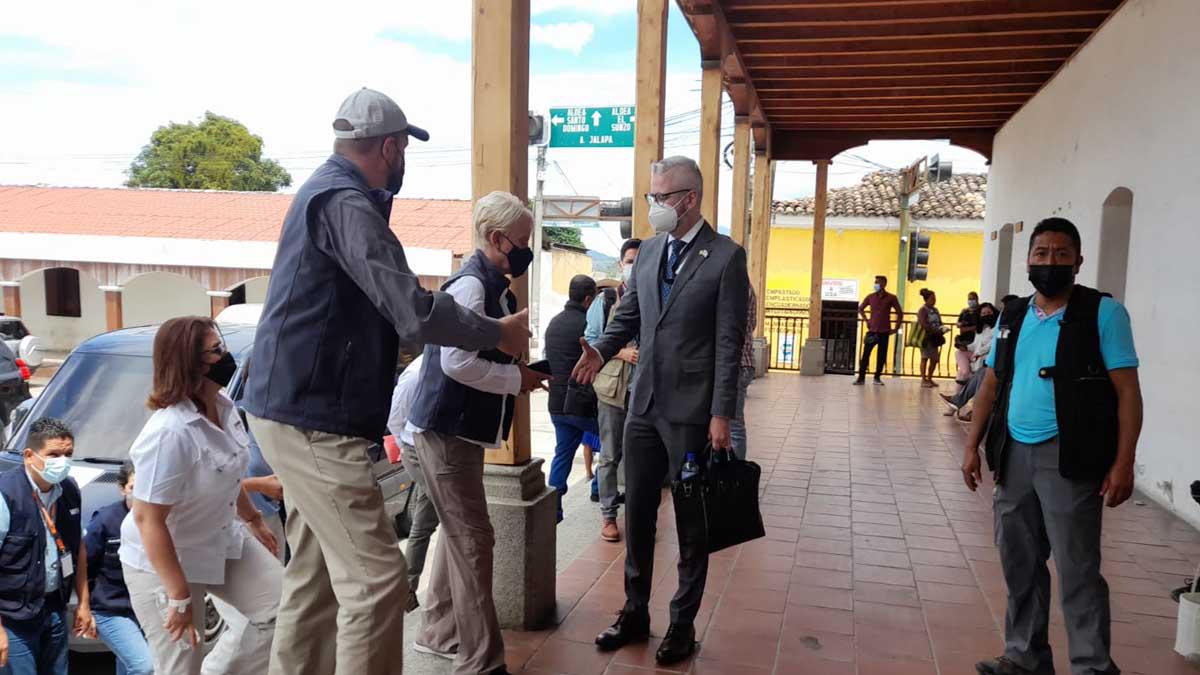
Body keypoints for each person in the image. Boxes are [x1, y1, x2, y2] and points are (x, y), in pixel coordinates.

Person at [240, 89, 529, 675]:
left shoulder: (329, 194)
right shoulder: (346, 202)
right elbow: (413, 313)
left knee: (316, 577)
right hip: (312, 417)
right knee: (376, 581)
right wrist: (497, 334)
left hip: (291, 408)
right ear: (392, 146)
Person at [573, 156, 750, 666]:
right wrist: (601, 350)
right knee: (638, 511)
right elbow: (629, 315)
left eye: (660, 197)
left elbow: (728, 341)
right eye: (651, 196)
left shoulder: (725, 258)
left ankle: (681, 623)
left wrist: (722, 413)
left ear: (689, 199)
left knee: (693, 521)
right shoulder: (648, 253)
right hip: (643, 405)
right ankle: (634, 612)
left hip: (694, 412)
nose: (652, 206)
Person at [962, 217, 1142, 675]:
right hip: (1014, 456)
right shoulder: (1014, 314)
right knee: (1019, 562)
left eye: (1061, 254)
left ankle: (1092, 666)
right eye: (1041, 254)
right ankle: (1024, 656)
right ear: (1028, 261)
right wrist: (972, 445)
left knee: (1077, 568)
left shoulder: (1103, 313)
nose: (1050, 262)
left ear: (1078, 261)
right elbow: (990, 383)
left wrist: (1124, 463)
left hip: (1071, 457)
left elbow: (1127, 392)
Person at [407, 191, 548, 675]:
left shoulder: (491, 283)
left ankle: (440, 631)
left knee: (459, 533)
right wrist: (516, 380)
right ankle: (480, 662)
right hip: (446, 430)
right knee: (473, 540)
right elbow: (457, 361)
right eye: (523, 241)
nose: (526, 251)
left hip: (454, 431)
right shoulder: (470, 287)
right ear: (496, 238)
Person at [120, 316, 282, 675]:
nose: (226, 355)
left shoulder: (224, 407)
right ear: (189, 362)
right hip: (165, 558)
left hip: (221, 539)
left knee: (283, 609)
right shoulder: (169, 433)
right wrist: (179, 595)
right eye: (216, 350)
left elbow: (226, 473)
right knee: (182, 661)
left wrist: (253, 519)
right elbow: (149, 519)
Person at [0, 418, 94, 675]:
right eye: (53, 454)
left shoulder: (69, 490)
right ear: (29, 456)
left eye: (68, 454)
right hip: (13, 617)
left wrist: (84, 604)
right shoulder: (6, 494)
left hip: (53, 608)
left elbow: (78, 550)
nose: (62, 461)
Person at [585, 239, 641, 543]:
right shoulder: (605, 300)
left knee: (640, 456)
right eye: (629, 260)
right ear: (621, 264)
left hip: (644, 391)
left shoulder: (654, 296)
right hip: (611, 389)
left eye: (639, 261)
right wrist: (621, 352)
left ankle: (636, 515)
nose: (633, 266)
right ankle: (608, 516)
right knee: (608, 456)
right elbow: (592, 338)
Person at [85, 462, 152, 675]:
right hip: (112, 609)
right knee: (145, 666)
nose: (140, 493)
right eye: (134, 487)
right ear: (123, 488)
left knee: (131, 664)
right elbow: (84, 567)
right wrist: (84, 609)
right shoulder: (105, 520)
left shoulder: (161, 519)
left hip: (148, 608)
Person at [545, 274, 600, 523]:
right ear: (589, 299)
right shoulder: (587, 325)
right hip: (581, 402)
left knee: (563, 453)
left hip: (556, 404)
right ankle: (599, 488)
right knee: (613, 441)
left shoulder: (554, 323)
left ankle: (553, 509)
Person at [386, 354, 435, 613]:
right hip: (416, 451)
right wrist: (410, 448)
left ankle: (406, 588)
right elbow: (395, 419)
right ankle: (406, 588)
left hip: (431, 453)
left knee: (424, 523)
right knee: (453, 518)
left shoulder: (437, 363)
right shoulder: (417, 373)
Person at [940, 302, 998, 420]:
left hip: (989, 362)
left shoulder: (998, 328)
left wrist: (978, 353)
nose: (986, 315)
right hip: (980, 361)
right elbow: (975, 346)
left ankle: (963, 406)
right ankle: (958, 402)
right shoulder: (983, 329)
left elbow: (993, 345)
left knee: (975, 376)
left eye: (988, 313)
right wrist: (965, 347)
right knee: (961, 361)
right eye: (983, 313)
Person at [855, 275, 903, 385]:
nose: (876, 284)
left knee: (881, 355)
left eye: (878, 282)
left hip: (884, 331)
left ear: (884, 284)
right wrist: (867, 320)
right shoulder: (870, 297)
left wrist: (896, 328)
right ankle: (861, 378)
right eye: (875, 282)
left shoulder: (891, 298)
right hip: (872, 330)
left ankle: (877, 377)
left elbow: (899, 313)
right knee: (866, 354)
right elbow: (861, 308)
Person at [728, 285, 756, 459]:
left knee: (734, 426)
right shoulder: (746, 286)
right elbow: (751, 325)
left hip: (737, 364)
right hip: (744, 362)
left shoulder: (737, 286)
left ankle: (734, 478)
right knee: (734, 424)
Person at [916, 288, 949, 387]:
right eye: (932, 298)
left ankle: (929, 378)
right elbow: (923, 324)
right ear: (927, 299)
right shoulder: (922, 310)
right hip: (926, 338)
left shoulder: (935, 310)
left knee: (934, 359)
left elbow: (939, 321)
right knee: (925, 358)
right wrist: (934, 330)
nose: (934, 300)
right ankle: (923, 379)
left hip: (935, 338)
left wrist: (942, 328)